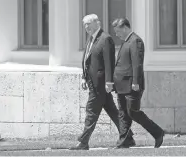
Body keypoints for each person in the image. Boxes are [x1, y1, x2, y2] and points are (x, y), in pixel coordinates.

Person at [69, 14, 135, 150]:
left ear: (97, 23)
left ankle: (83, 142)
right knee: (113, 112)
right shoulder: (91, 39)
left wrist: (109, 82)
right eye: (84, 25)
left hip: (101, 84)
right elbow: (87, 60)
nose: (86, 27)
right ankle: (128, 137)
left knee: (91, 111)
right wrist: (83, 77)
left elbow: (109, 62)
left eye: (88, 24)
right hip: (92, 82)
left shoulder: (106, 39)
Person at [112, 18, 164, 149]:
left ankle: (157, 132)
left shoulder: (136, 41)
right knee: (123, 113)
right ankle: (124, 141)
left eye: (118, 31)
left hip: (131, 85)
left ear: (125, 28)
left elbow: (137, 64)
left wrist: (135, 82)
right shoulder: (126, 41)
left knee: (133, 112)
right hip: (122, 85)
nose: (116, 35)